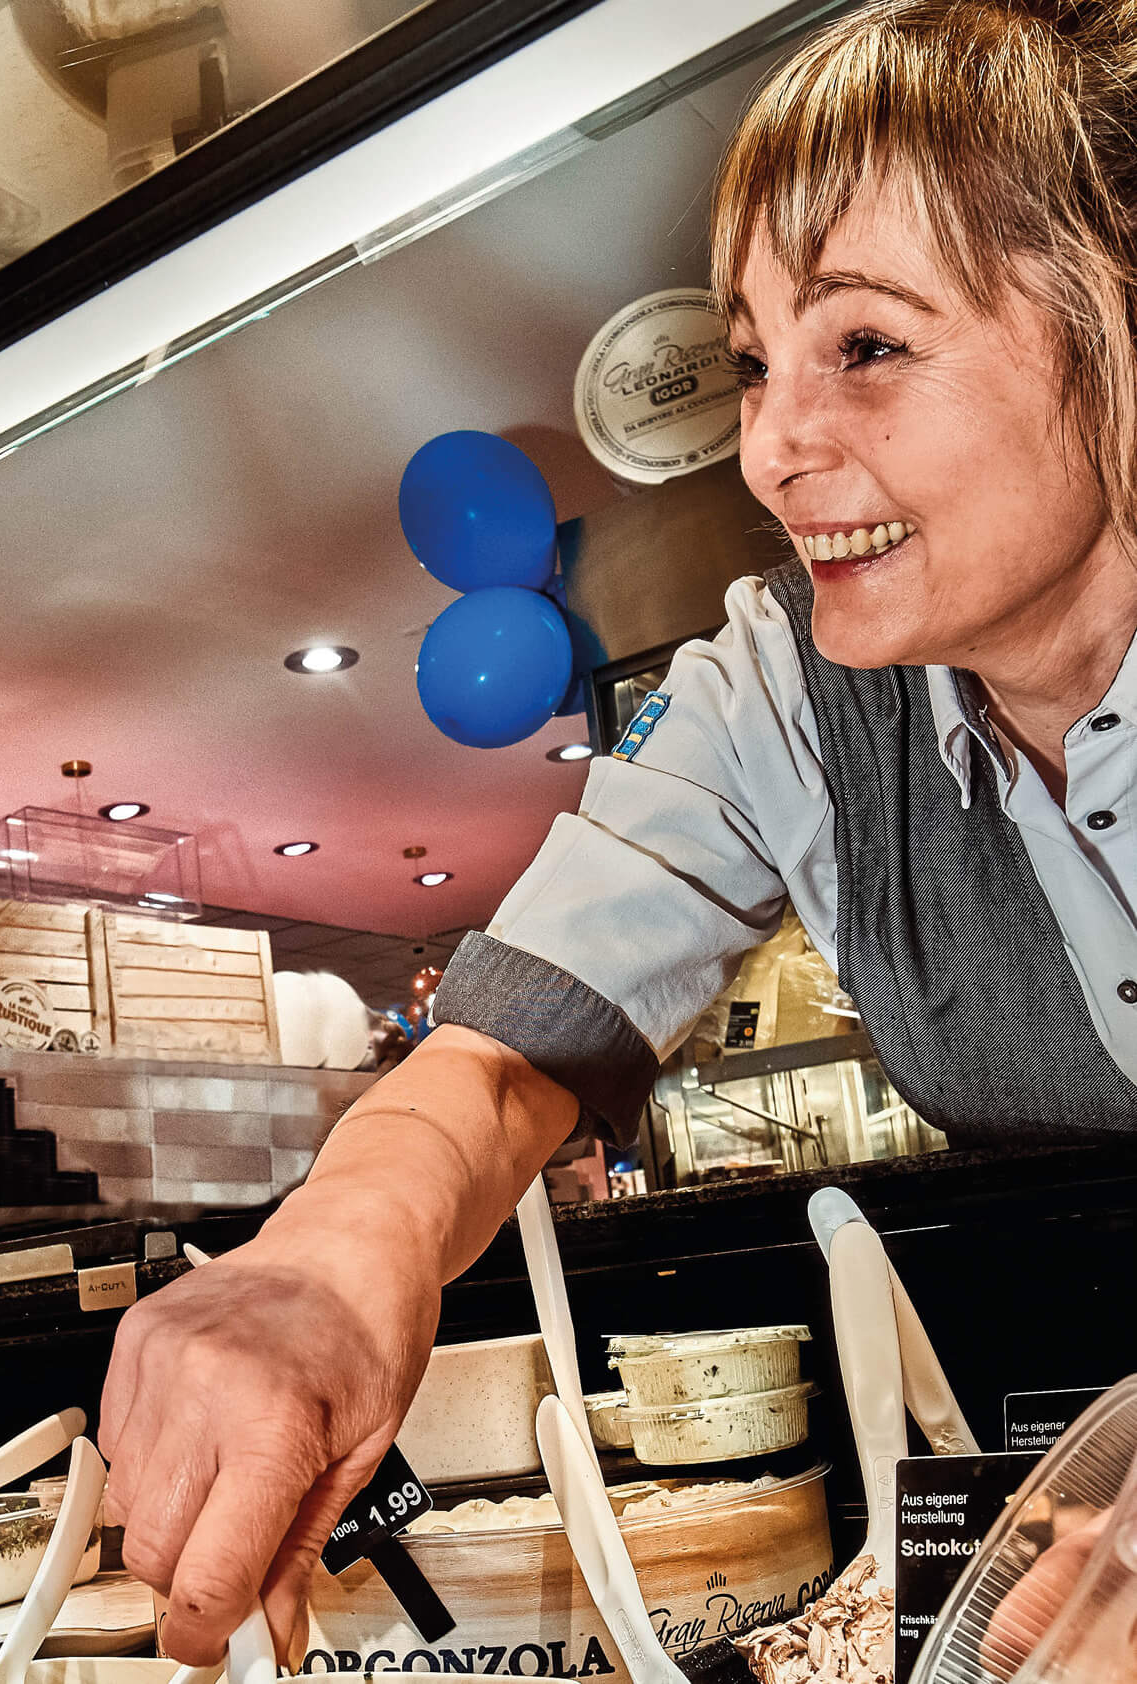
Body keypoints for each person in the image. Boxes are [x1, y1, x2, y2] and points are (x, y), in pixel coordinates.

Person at [101, 0, 1137, 1665]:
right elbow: (510, 1050)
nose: (774, 451)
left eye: (867, 346)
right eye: (756, 363)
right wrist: (332, 1258)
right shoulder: (786, 684)